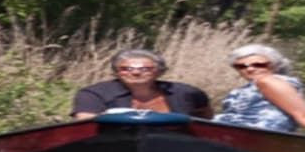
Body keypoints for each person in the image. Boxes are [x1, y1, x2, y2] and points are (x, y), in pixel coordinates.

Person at [213, 43, 305, 146]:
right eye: (241, 66)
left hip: (256, 140)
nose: (250, 69)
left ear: (274, 65)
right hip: (229, 137)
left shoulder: (268, 82)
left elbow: (304, 116)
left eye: (259, 64)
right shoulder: (249, 87)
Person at [71, 49, 211, 119]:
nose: (136, 73)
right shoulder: (93, 94)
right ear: (116, 72)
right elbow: (87, 124)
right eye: (126, 69)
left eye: (145, 69)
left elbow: (205, 120)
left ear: (159, 71)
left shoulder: (187, 92)